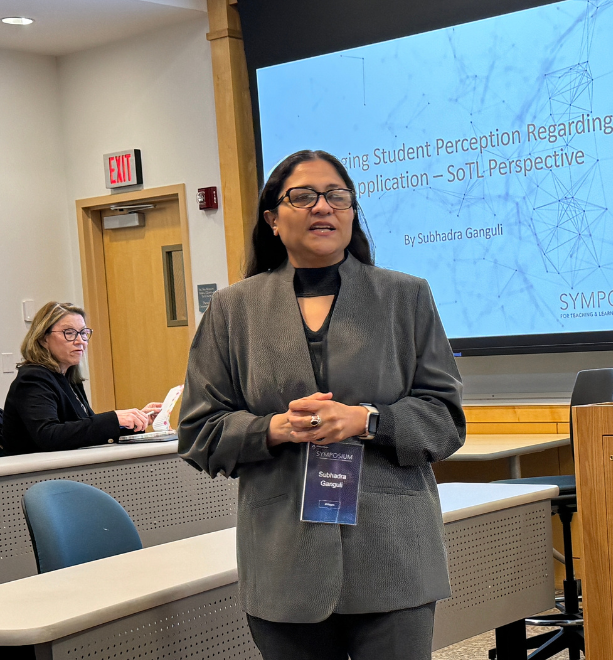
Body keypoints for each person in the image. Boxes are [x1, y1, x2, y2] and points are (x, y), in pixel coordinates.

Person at [177, 150, 466, 660]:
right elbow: (199, 432)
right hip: (282, 556)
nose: (322, 208)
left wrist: (368, 420)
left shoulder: (406, 297)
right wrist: (276, 429)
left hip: (392, 552)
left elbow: (445, 419)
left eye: (336, 196)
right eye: (303, 196)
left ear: (351, 212)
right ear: (272, 218)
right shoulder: (232, 310)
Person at [1, 302, 163, 455]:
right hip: (31, 476)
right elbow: (49, 436)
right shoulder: (33, 379)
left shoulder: (69, 378)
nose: (80, 341)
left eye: (84, 333)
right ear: (43, 338)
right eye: (69, 333)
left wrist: (132, 421)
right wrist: (113, 418)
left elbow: (83, 431)